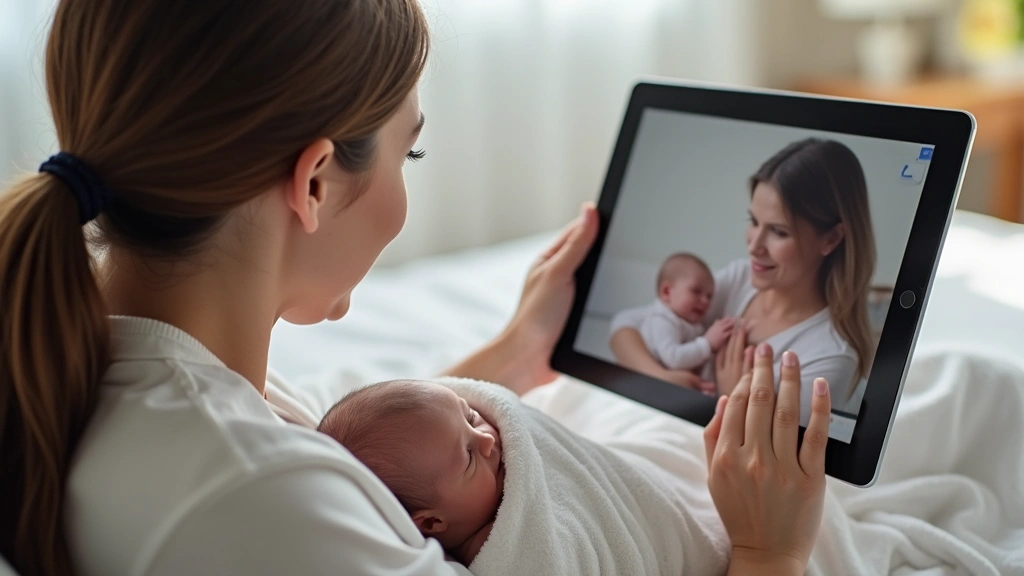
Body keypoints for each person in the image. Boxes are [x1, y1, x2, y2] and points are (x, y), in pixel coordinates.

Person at [0, 1, 832, 575]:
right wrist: (770, 553)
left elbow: (343, 450)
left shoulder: (107, 352)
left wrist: (514, 353)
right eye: (411, 155)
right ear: (316, 182)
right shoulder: (252, 497)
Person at [611, 138, 877, 422]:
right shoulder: (740, 279)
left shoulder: (827, 358)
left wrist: (731, 398)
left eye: (778, 232)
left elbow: (769, 461)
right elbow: (625, 326)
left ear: (831, 238)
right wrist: (662, 378)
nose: (754, 246)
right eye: (753, 222)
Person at [318, 379, 506, 567]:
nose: (487, 439)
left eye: (471, 418)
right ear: (432, 522)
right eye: (469, 457)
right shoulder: (498, 553)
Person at [629, 253, 735, 375]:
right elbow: (673, 358)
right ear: (666, 292)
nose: (705, 301)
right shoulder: (662, 320)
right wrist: (708, 343)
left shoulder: (692, 323)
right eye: (696, 291)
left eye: (709, 296)